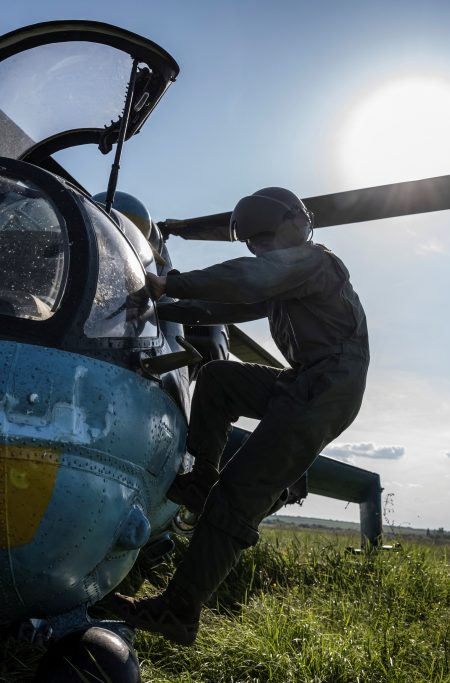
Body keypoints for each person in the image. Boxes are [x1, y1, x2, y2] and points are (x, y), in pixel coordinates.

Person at [107, 187, 370, 645]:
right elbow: (226, 305)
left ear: (293, 224)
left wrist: (175, 281)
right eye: (252, 244)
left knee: (239, 496)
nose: (260, 250)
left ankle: (179, 609)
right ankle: (201, 477)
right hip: (306, 380)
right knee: (219, 379)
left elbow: (250, 278)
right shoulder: (285, 279)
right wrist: (160, 306)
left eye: (264, 240)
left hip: (326, 388)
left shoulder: (314, 262)